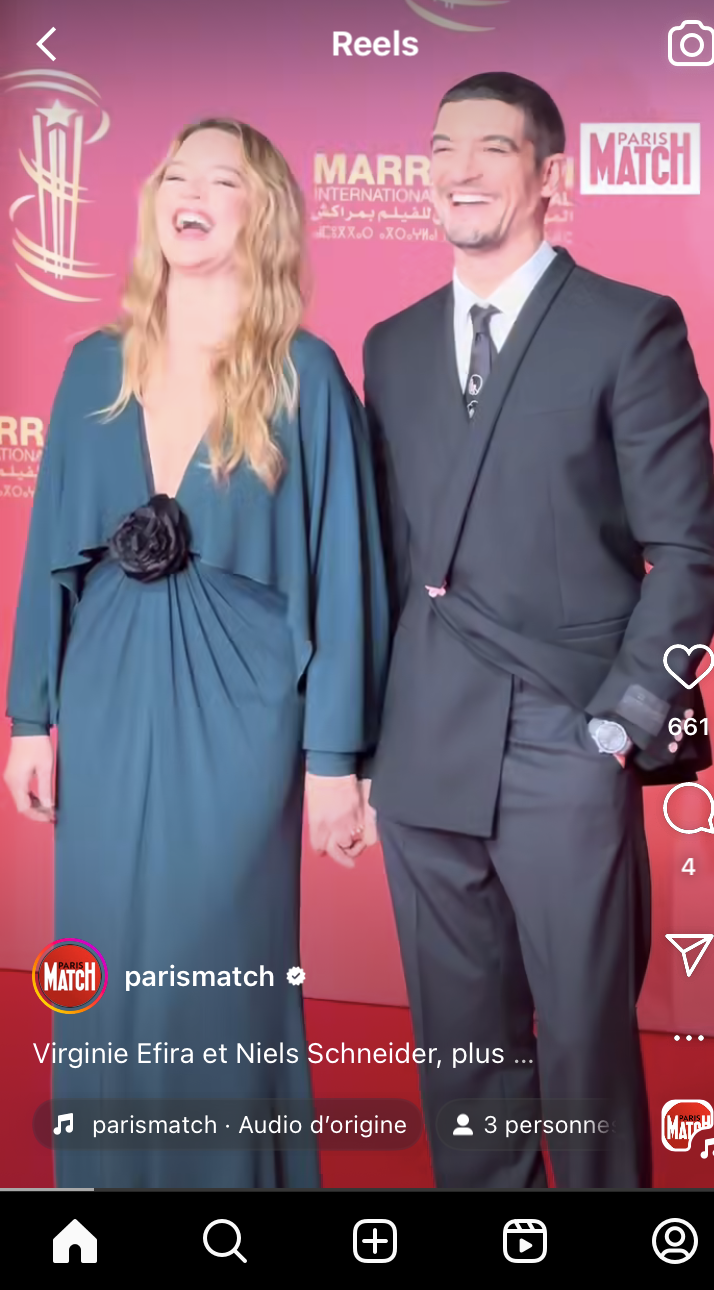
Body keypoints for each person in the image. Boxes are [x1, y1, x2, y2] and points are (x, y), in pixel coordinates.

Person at [360, 72, 714, 1189]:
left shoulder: (629, 326)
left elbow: (692, 554)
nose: (460, 170)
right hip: (425, 737)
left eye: (492, 148)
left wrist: (622, 721)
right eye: (442, 147)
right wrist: (362, 744)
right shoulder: (391, 345)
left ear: (549, 176)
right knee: (461, 1049)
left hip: (566, 732)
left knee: (583, 1044)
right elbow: (384, 557)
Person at [4, 118, 389, 1188]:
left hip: (243, 707)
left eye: (223, 179)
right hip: (106, 690)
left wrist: (335, 761)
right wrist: (31, 720)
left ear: (261, 213)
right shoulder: (95, 367)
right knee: (102, 950)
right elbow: (47, 556)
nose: (193, 192)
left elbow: (347, 573)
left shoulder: (306, 375)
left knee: (220, 957)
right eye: (179, 174)